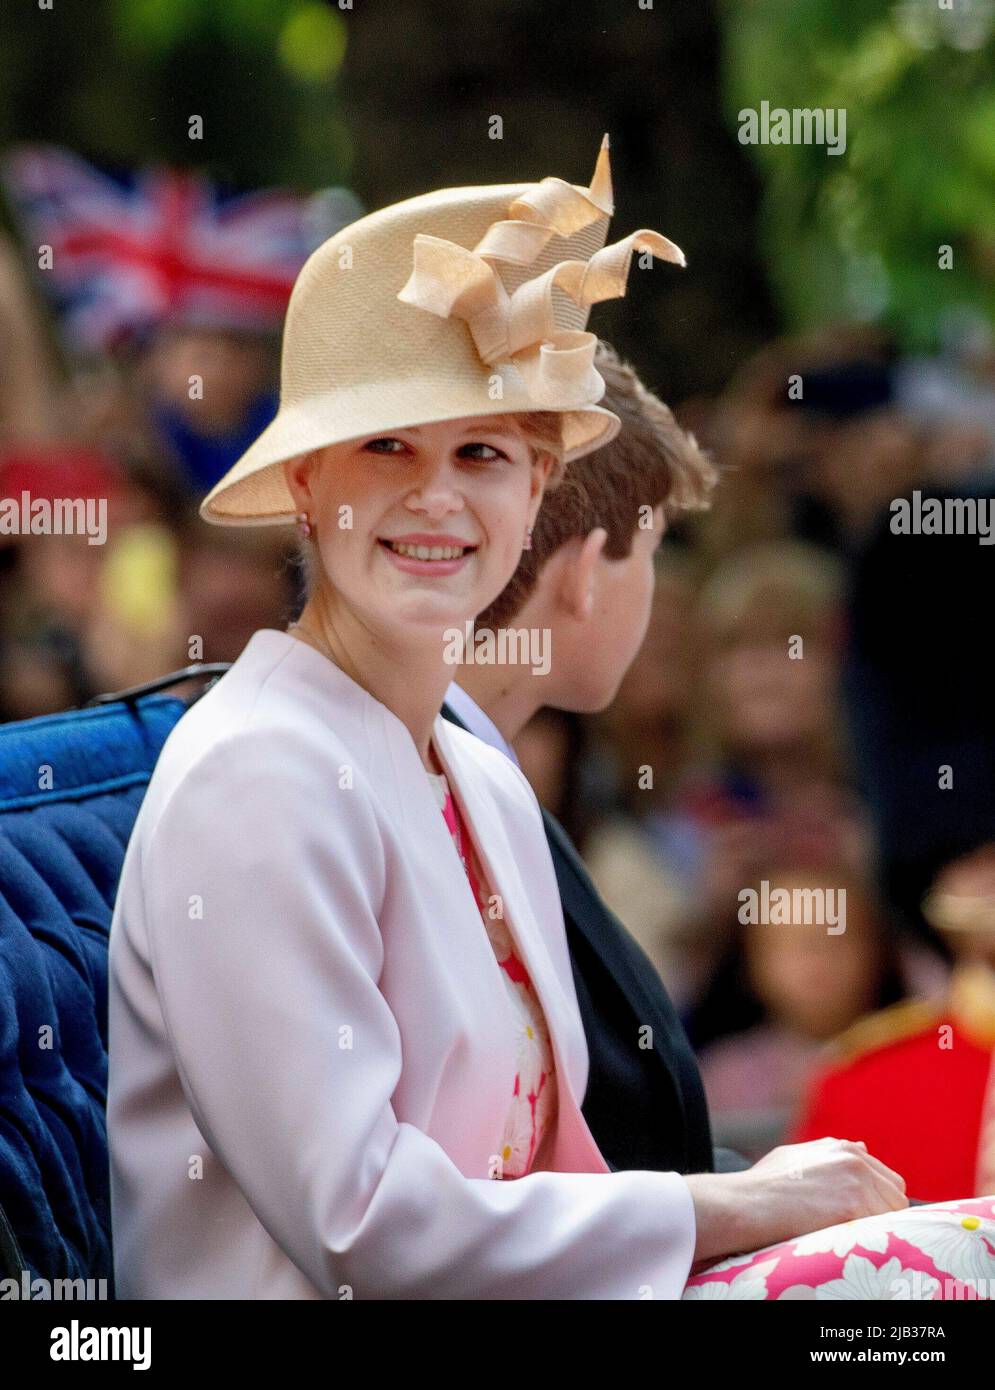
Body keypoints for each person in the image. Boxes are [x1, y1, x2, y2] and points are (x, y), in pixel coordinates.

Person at [107, 136, 994, 1300]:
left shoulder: (476, 775)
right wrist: (734, 1199)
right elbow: (357, 1220)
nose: (435, 495)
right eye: (385, 447)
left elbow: (552, 1169)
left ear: (535, 495)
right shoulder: (258, 769)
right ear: (308, 488)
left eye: (481, 452)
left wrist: (768, 1212)